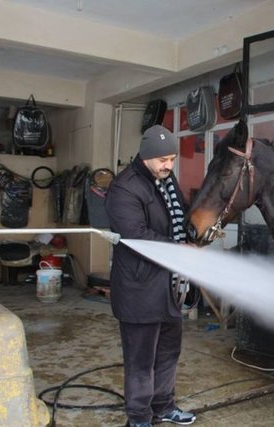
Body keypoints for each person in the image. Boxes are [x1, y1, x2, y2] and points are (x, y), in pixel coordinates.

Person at [105, 125, 196, 427]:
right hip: (139, 289)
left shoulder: (165, 182)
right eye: (163, 160)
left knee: (169, 351)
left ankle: (164, 406)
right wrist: (179, 247)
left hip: (168, 287)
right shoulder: (125, 187)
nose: (168, 166)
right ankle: (140, 417)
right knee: (141, 360)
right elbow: (136, 235)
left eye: (172, 159)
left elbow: (176, 218)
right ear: (146, 156)